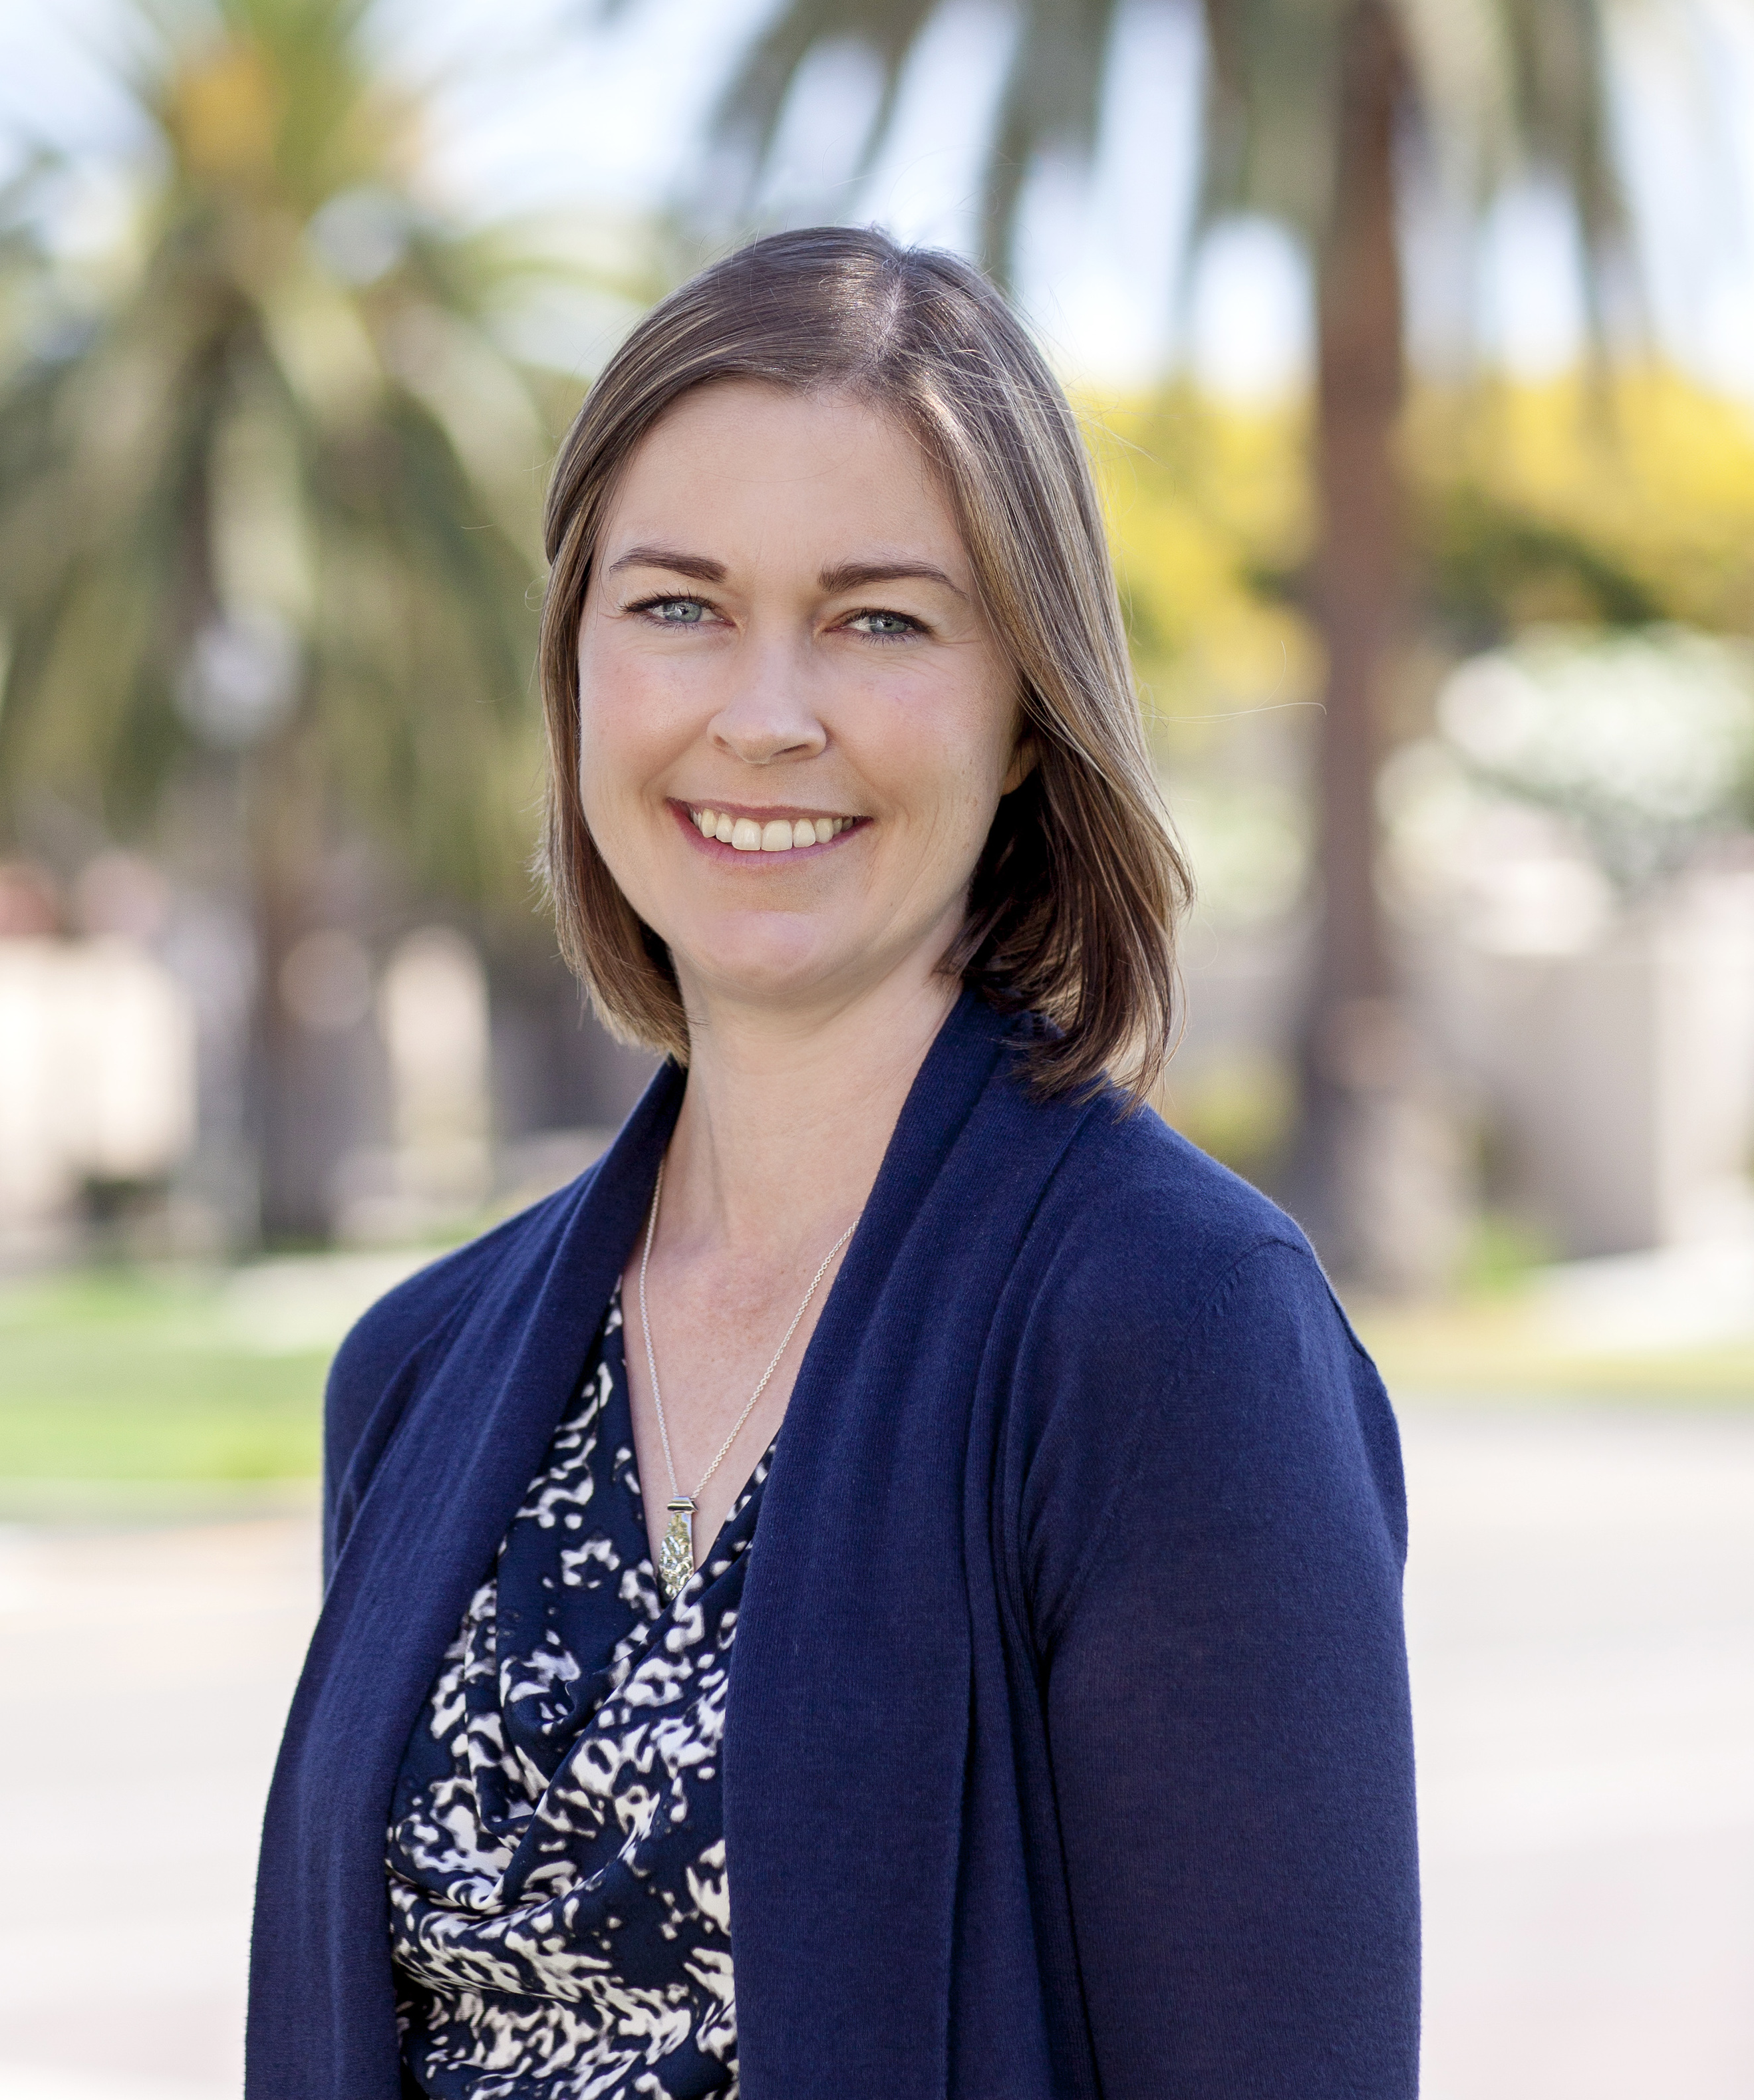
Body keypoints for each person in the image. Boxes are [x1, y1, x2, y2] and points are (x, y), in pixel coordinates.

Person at [247, 226, 1418, 2099]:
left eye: (880, 621)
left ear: (1027, 710)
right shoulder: (418, 1372)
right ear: (575, 671)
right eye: (677, 608)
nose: (764, 713)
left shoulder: (1176, 1333)